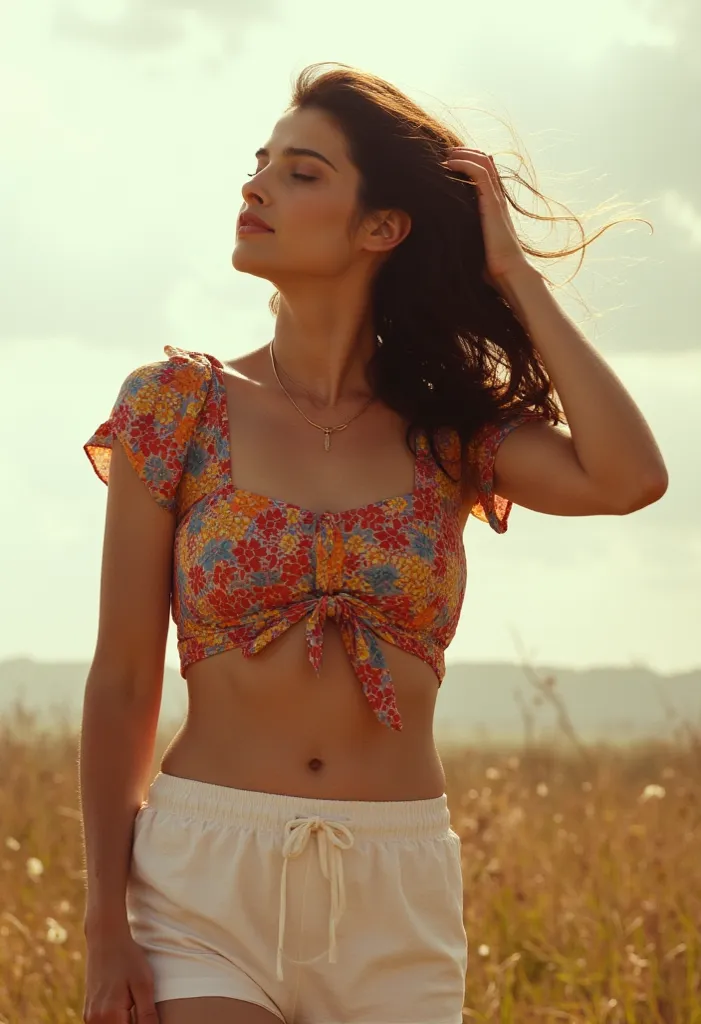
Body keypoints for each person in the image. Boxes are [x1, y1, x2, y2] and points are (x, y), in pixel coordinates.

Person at [78, 62, 667, 1024]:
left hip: (396, 888)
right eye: (260, 162)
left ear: (381, 228)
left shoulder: (446, 427)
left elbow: (628, 478)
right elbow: (123, 680)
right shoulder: (174, 405)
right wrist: (107, 924)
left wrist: (512, 276)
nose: (256, 184)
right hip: (206, 876)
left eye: (301, 172)